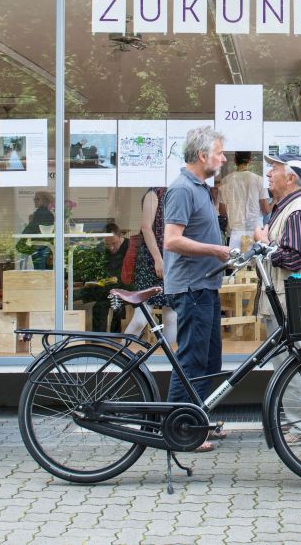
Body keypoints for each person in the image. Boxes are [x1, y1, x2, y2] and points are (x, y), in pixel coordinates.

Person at [162, 126, 231, 452]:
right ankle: (179, 431)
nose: (224, 158)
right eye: (219, 153)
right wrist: (215, 251)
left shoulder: (201, 188)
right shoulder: (181, 189)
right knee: (191, 361)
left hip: (206, 286)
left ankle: (196, 419)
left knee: (210, 362)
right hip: (192, 289)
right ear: (202, 156)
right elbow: (172, 240)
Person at [253, 151, 301, 444]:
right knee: (291, 361)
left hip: (287, 300)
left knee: (286, 363)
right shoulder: (287, 208)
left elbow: (293, 258)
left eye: (274, 169)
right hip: (286, 298)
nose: (268, 174)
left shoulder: (296, 211)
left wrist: (264, 243)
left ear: (291, 177)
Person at [117, 208, 177, 344]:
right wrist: (158, 259)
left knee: (171, 316)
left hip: (171, 260)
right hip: (151, 264)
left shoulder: (174, 194)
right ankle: (121, 357)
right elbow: (146, 227)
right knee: (141, 319)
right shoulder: (155, 193)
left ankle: (170, 360)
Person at [220, 151, 270, 252]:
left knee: (234, 264)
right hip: (255, 232)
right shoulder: (259, 180)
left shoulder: (226, 180)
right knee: (253, 265)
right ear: (250, 160)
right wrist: (275, 200)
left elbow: (222, 211)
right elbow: (266, 210)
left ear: (234, 160)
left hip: (233, 231)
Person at [20, 190, 54, 269]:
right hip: (44, 245)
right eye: (34, 199)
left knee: (40, 270)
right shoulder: (46, 213)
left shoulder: (41, 213)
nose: (34, 201)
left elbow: (32, 228)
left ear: (44, 200)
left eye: (37, 199)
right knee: (42, 269)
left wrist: (22, 237)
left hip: (40, 245)